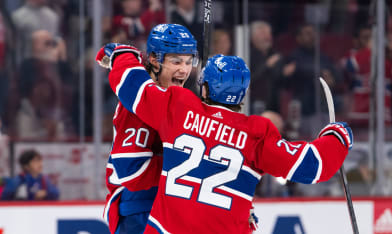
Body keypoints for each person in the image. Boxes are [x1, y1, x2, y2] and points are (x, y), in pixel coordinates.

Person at [96, 44, 353, 233]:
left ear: (205, 86)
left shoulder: (180, 108)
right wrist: (338, 136)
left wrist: (123, 54)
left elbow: (133, 87)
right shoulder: (256, 132)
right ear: (243, 94)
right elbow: (313, 165)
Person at [101, 24, 199, 234]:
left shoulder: (177, 100)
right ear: (155, 59)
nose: (184, 69)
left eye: (189, 61)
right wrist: (187, 164)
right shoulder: (136, 105)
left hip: (169, 206)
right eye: (176, 61)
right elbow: (131, 171)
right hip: (140, 212)